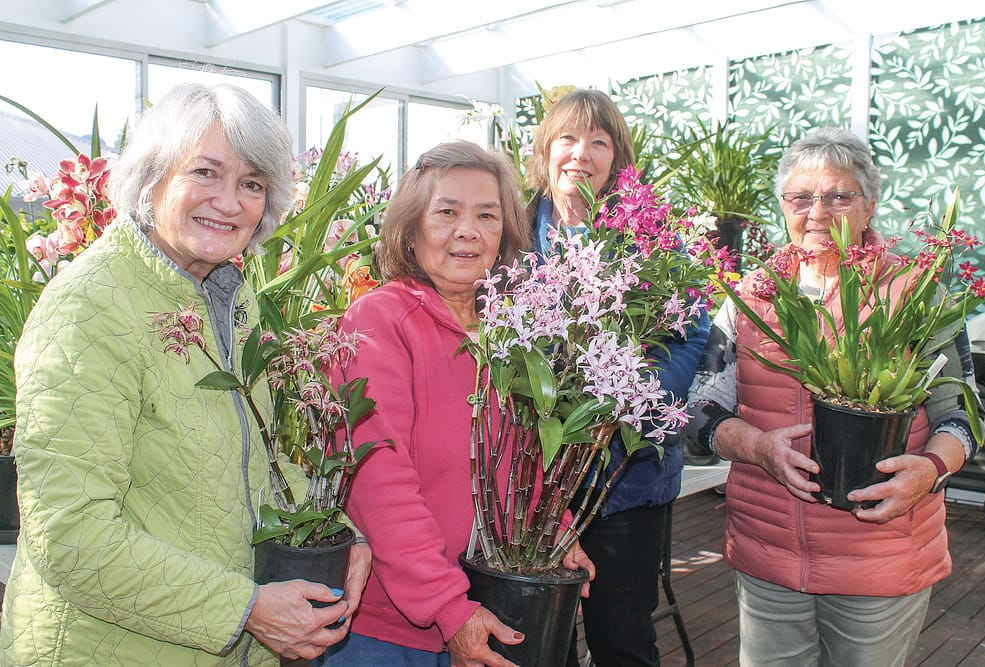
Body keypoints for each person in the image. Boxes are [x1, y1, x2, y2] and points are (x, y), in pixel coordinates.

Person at [0, 82, 371, 665]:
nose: (229, 202)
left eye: (251, 183)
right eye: (205, 172)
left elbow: (255, 460)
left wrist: (340, 532)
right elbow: (69, 534)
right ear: (151, 179)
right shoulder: (90, 306)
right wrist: (244, 609)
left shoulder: (228, 297)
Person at [686, 126, 984, 666]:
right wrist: (756, 447)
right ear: (782, 207)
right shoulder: (748, 298)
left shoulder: (917, 296)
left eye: (838, 196)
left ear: (869, 207)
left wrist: (930, 470)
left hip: (879, 557)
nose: (817, 212)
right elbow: (701, 411)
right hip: (768, 555)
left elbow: (962, 411)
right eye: (801, 197)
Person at [316, 140, 595, 667]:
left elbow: (521, 460)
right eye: (446, 212)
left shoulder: (510, 331)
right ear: (411, 229)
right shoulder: (379, 322)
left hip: (487, 604)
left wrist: (555, 531)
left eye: (486, 215)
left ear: (504, 232)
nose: (467, 230)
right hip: (391, 630)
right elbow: (379, 481)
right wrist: (448, 606)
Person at [526, 88, 710, 667]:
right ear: (545, 149)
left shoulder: (651, 235)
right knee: (535, 635)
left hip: (623, 476)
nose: (581, 154)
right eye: (568, 138)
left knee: (622, 636)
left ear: (617, 159)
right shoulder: (508, 227)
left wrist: (626, 397)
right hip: (531, 476)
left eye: (598, 142)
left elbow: (691, 334)